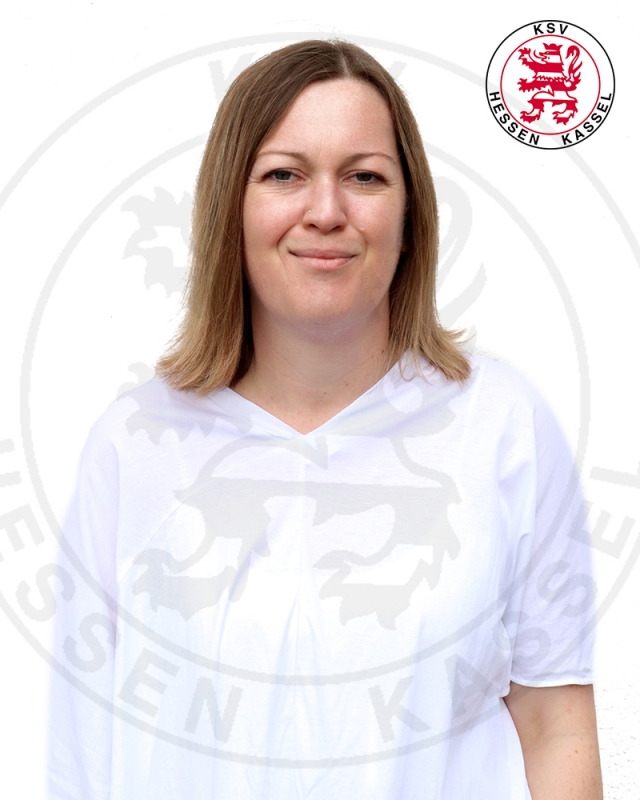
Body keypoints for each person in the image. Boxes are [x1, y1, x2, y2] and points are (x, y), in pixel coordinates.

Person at [48, 39, 602, 799]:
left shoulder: (504, 427)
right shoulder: (133, 444)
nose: (326, 212)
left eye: (364, 176)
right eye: (284, 174)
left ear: (410, 213)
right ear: (230, 207)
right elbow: (83, 750)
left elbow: (555, 724)